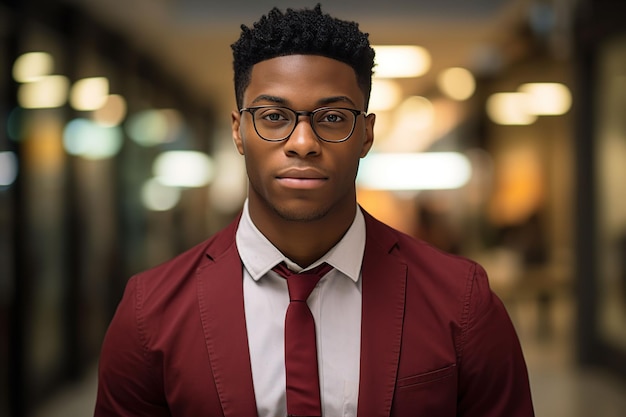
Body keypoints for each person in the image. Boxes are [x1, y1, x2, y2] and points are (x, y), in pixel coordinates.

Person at [94, 5, 535, 417]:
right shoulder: (150, 312)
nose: (302, 142)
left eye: (332, 118)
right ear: (238, 131)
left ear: (366, 133)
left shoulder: (461, 301)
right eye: (273, 117)